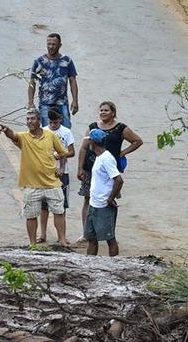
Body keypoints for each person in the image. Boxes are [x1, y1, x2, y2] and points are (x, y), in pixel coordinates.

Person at [0, 108, 71, 247]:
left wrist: (62, 168)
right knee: (31, 215)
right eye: (27, 119)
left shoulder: (50, 135)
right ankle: (32, 244)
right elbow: (13, 135)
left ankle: (62, 240)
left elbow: (63, 153)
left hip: (52, 182)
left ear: (39, 120)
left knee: (59, 212)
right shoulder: (23, 137)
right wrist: (6, 130)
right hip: (31, 185)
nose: (29, 121)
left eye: (32, 119)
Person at [76, 101, 142, 239]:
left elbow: (137, 141)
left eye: (106, 110)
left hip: (110, 171)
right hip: (90, 168)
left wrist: (123, 153)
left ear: (113, 113)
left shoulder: (120, 128)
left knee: (110, 199)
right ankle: (87, 233)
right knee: (88, 199)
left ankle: (108, 232)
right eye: (101, 110)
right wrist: (80, 168)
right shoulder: (92, 127)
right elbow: (83, 148)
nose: (103, 112)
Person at [84, 128, 123, 257]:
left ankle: (115, 263)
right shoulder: (99, 157)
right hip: (94, 203)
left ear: (93, 142)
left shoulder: (106, 158)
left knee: (110, 238)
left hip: (103, 205)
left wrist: (110, 199)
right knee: (91, 238)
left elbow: (119, 180)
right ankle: (89, 263)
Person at [27, 32, 79, 128]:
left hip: (62, 103)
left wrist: (75, 100)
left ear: (60, 45)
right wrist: (30, 102)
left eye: (54, 44)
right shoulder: (39, 62)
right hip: (45, 103)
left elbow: (72, 81)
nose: (51, 47)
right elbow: (32, 82)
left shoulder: (67, 61)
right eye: (49, 44)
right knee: (48, 131)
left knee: (65, 128)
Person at [39, 110, 75, 244]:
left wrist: (59, 155)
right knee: (44, 206)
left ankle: (62, 236)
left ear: (60, 119)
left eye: (55, 122)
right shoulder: (43, 131)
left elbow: (71, 152)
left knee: (61, 206)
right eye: (51, 122)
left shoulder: (66, 132)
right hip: (46, 172)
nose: (53, 125)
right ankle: (43, 234)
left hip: (62, 173)